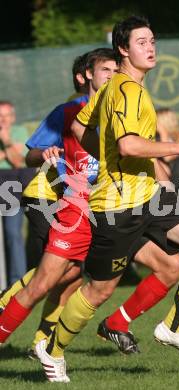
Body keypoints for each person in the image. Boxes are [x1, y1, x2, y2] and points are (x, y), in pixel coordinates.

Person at [31, 16, 179, 383]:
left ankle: (173, 327)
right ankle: (52, 349)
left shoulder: (120, 87)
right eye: (141, 42)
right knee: (99, 289)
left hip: (147, 194)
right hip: (117, 206)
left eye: (153, 40)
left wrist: (106, 155)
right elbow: (128, 144)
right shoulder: (126, 90)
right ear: (123, 49)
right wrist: (176, 146)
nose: (150, 47)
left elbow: (79, 126)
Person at [0, 48, 118, 362]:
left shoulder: (119, 112)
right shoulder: (67, 111)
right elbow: (31, 155)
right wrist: (49, 152)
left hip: (88, 204)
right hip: (51, 196)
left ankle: (41, 342)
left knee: (71, 274)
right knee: (52, 275)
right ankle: (7, 308)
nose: (111, 75)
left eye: (114, 70)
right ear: (86, 77)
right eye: (105, 69)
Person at [0, 101, 34, 284]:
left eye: (7, 116)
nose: (3, 120)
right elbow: (14, 155)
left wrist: (6, 141)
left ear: (13, 117)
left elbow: (18, 161)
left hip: (11, 187)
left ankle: (17, 282)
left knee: (13, 232)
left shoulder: (19, 132)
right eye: (0, 116)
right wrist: (11, 150)